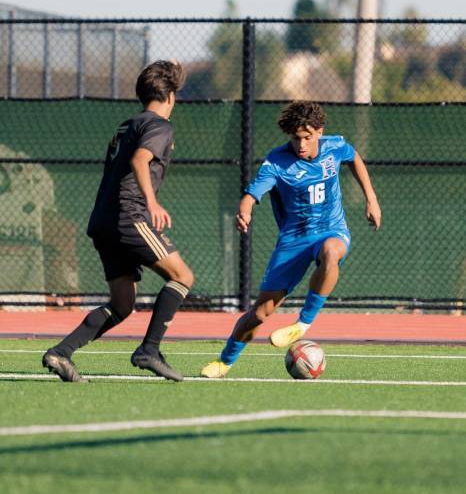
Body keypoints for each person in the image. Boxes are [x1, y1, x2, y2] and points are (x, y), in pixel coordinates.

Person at [201, 100, 381, 378]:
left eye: (307, 137)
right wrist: (244, 210)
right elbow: (251, 195)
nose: (301, 144)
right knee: (260, 314)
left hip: (331, 229)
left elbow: (354, 157)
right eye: (296, 138)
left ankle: (303, 324)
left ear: (319, 131)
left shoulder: (334, 146)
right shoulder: (276, 162)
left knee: (332, 252)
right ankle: (225, 361)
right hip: (293, 240)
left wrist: (371, 198)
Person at [43, 60, 193, 382]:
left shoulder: (127, 125)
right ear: (170, 96)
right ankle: (148, 350)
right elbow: (141, 160)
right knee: (182, 276)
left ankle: (61, 353)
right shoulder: (160, 126)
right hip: (130, 215)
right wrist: (152, 202)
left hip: (103, 220)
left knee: (122, 304)